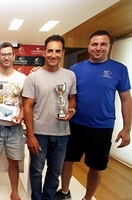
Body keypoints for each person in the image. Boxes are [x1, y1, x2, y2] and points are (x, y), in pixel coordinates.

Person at [55, 30, 131, 200]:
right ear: (88, 46)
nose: (98, 48)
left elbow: (126, 100)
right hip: (75, 124)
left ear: (109, 46)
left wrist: (127, 129)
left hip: (102, 127)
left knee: (96, 167)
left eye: (103, 44)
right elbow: (68, 96)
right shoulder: (75, 69)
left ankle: (87, 198)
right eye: (94, 44)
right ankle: (65, 192)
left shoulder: (119, 69)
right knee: (67, 161)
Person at [22, 35, 77, 200]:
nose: (54, 55)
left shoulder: (70, 75)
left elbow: (72, 98)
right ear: (44, 53)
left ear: (62, 53)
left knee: (54, 173)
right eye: (50, 51)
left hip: (62, 134)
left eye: (58, 51)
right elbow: (27, 107)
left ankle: (49, 198)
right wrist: (30, 135)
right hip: (39, 134)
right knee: (36, 172)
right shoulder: (33, 77)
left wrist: (71, 111)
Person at [0, 42, 27, 200]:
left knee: (14, 162)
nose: (6, 57)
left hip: (15, 128)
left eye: (9, 54)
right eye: (3, 54)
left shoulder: (23, 78)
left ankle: (14, 193)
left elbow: (26, 103)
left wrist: (21, 116)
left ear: (14, 57)